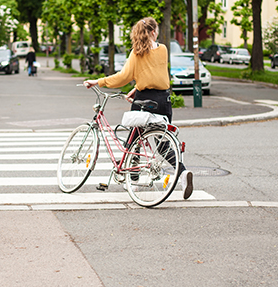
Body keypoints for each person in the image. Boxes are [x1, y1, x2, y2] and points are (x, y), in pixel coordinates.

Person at [83, 17, 194, 199]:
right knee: (162, 142)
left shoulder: (136, 53)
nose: (157, 33)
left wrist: (98, 81)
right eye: (156, 30)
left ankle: (130, 173)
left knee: (134, 135)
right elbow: (156, 74)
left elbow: (123, 77)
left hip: (144, 99)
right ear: (152, 32)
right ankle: (182, 173)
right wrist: (136, 88)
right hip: (163, 99)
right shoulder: (163, 50)